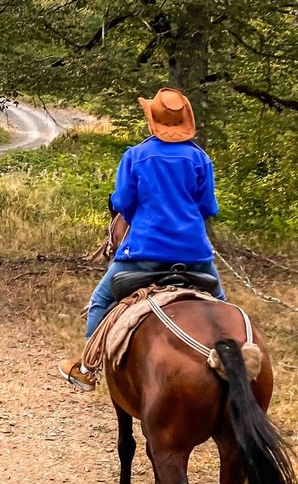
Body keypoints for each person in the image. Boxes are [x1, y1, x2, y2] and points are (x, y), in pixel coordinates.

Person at [58, 88, 224, 391]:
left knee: (100, 300)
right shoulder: (200, 159)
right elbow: (209, 208)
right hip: (195, 256)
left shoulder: (136, 156)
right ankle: (231, 356)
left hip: (143, 254)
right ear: (186, 119)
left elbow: (123, 203)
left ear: (152, 122)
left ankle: (86, 369)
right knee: (223, 306)